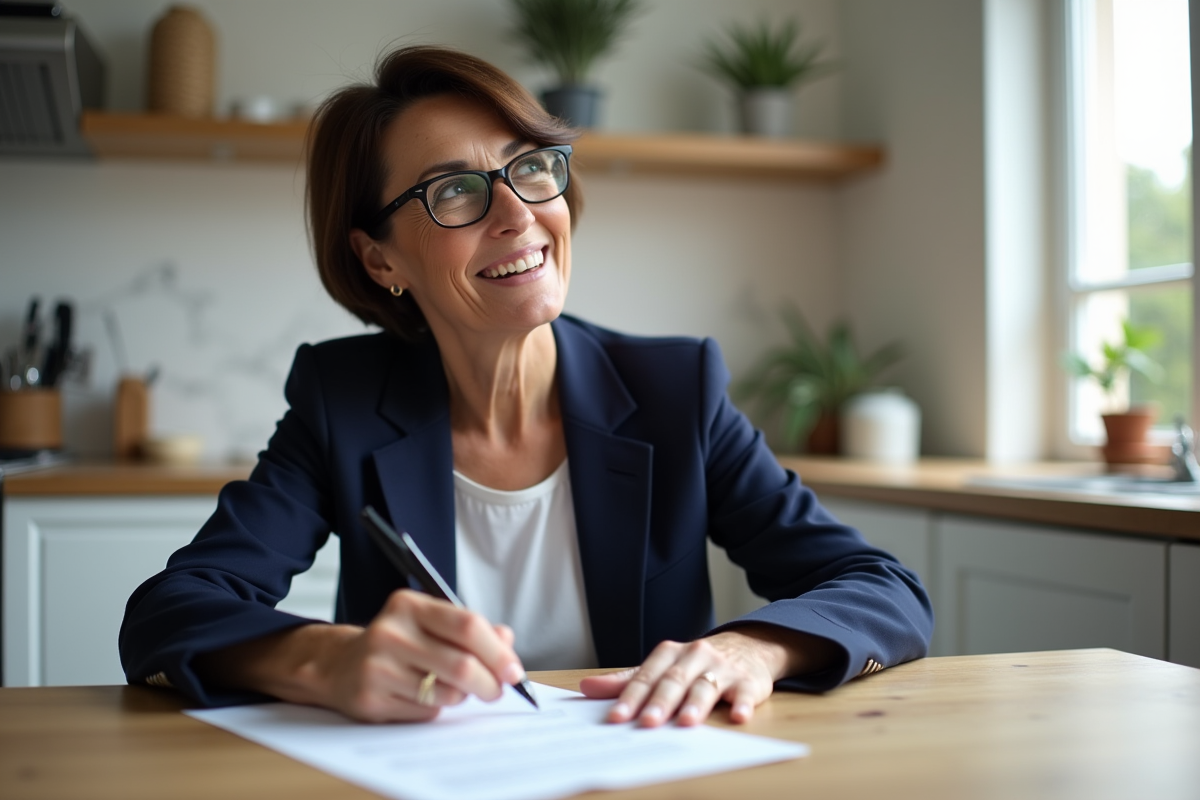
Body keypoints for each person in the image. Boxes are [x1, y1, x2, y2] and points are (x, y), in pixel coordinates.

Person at [119, 45, 933, 728]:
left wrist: (749, 647)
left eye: (530, 169)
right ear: (380, 259)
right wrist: (325, 658)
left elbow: (882, 590)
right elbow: (169, 611)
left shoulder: (674, 390)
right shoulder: (343, 403)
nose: (515, 215)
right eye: (454, 192)